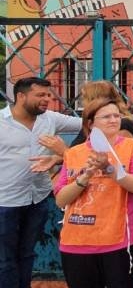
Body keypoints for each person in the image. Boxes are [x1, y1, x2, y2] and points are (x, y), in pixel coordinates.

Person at [54, 98, 133, 288]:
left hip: (120, 241)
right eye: (106, 117)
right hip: (77, 242)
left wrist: (109, 168)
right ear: (90, 123)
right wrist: (85, 176)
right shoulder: (73, 153)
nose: (113, 120)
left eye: (116, 115)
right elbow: (61, 199)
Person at [0, 77, 82, 288]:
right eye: (41, 95)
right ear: (21, 96)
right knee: (4, 259)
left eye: (48, 95)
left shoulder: (50, 119)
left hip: (38, 199)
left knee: (27, 253)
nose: (47, 99)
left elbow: (89, 123)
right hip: (5, 202)